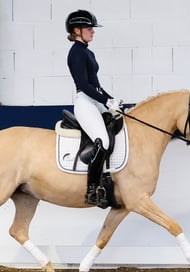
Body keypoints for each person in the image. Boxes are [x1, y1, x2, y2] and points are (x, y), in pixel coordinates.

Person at [65, 9, 123, 207]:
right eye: (89, 28)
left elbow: (96, 84)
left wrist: (111, 99)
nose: (93, 31)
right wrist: (104, 102)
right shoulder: (75, 53)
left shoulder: (88, 52)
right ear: (77, 30)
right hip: (85, 103)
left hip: (95, 99)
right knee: (103, 141)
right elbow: (84, 84)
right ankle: (92, 189)